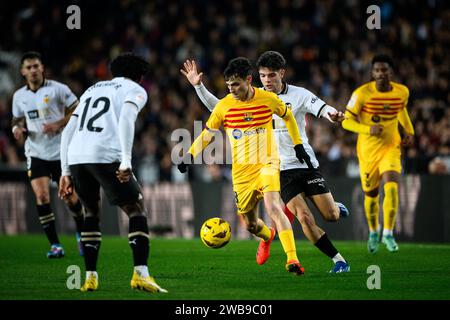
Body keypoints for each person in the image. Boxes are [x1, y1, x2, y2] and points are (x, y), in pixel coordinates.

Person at [181, 51, 350, 273]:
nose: (267, 81)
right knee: (302, 217)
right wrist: (198, 87)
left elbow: (321, 107)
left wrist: (332, 115)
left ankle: (331, 207)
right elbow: (220, 107)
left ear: (282, 73)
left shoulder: (297, 95)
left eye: (271, 76)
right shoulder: (251, 95)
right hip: (276, 168)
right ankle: (335, 260)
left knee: (331, 216)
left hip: (303, 162)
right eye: (262, 76)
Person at [58, 53, 167, 293]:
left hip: (76, 156)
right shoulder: (134, 89)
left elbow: (67, 132)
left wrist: (65, 171)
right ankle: (141, 274)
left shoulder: (92, 89)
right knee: (136, 207)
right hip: (105, 154)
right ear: (139, 77)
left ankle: (90, 277)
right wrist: (126, 161)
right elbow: (127, 118)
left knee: (91, 212)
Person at [11, 51, 85, 258]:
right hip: (36, 153)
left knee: (70, 198)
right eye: (29, 67)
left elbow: (78, 110)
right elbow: (16, 120)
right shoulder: (19, 96)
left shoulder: (59, 90)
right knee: (42, 196)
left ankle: (81, 233)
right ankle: (55, 245)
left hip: (61, 151)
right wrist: (17, 129)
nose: (33, 70)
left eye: (36, 66)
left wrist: (58, 123)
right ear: (23, 71)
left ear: (42, 68)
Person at [342, 54, 415, 253]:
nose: (381, 74)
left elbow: (401, 111)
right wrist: (368, 129)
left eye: (384, 70)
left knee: (391, 187)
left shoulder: (402, 92)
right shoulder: (362, 93)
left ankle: (388, 233)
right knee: (371, 196)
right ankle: (374, 230)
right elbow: (346, 121)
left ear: (390, 72)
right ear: (372, 73)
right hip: (368, 151)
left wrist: (409, 130)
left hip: (391, 147)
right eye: (377, 70)